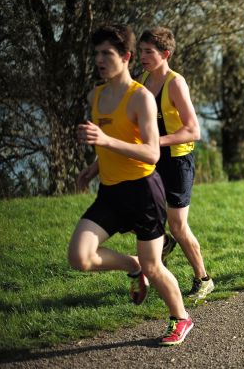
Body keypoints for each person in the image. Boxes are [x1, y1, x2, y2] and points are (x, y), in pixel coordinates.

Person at [69, 24, 193, 346]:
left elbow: (152, 153)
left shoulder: (140, 97)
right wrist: (93, 168)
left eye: (107, 53)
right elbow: (113, 142)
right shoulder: (95, 95)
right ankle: (132, 265)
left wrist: (105, 140)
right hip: (110, 191)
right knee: (79, 257)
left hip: (142, 191)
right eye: (96, 53)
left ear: (125, 57)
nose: (99, 59)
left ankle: (181, 318)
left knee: (155, 266)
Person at [138, 27, 214, 303]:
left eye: (149, 52)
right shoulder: (144, 79)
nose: (142, 56)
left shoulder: (175, 83)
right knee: (142, 213)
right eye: (141, 50)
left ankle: (203, 279)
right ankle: (164, 246)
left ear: (165, 54)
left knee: (179, 225)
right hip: (154, 159)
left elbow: (193, 130)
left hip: (178, 160)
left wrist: (157, 141)